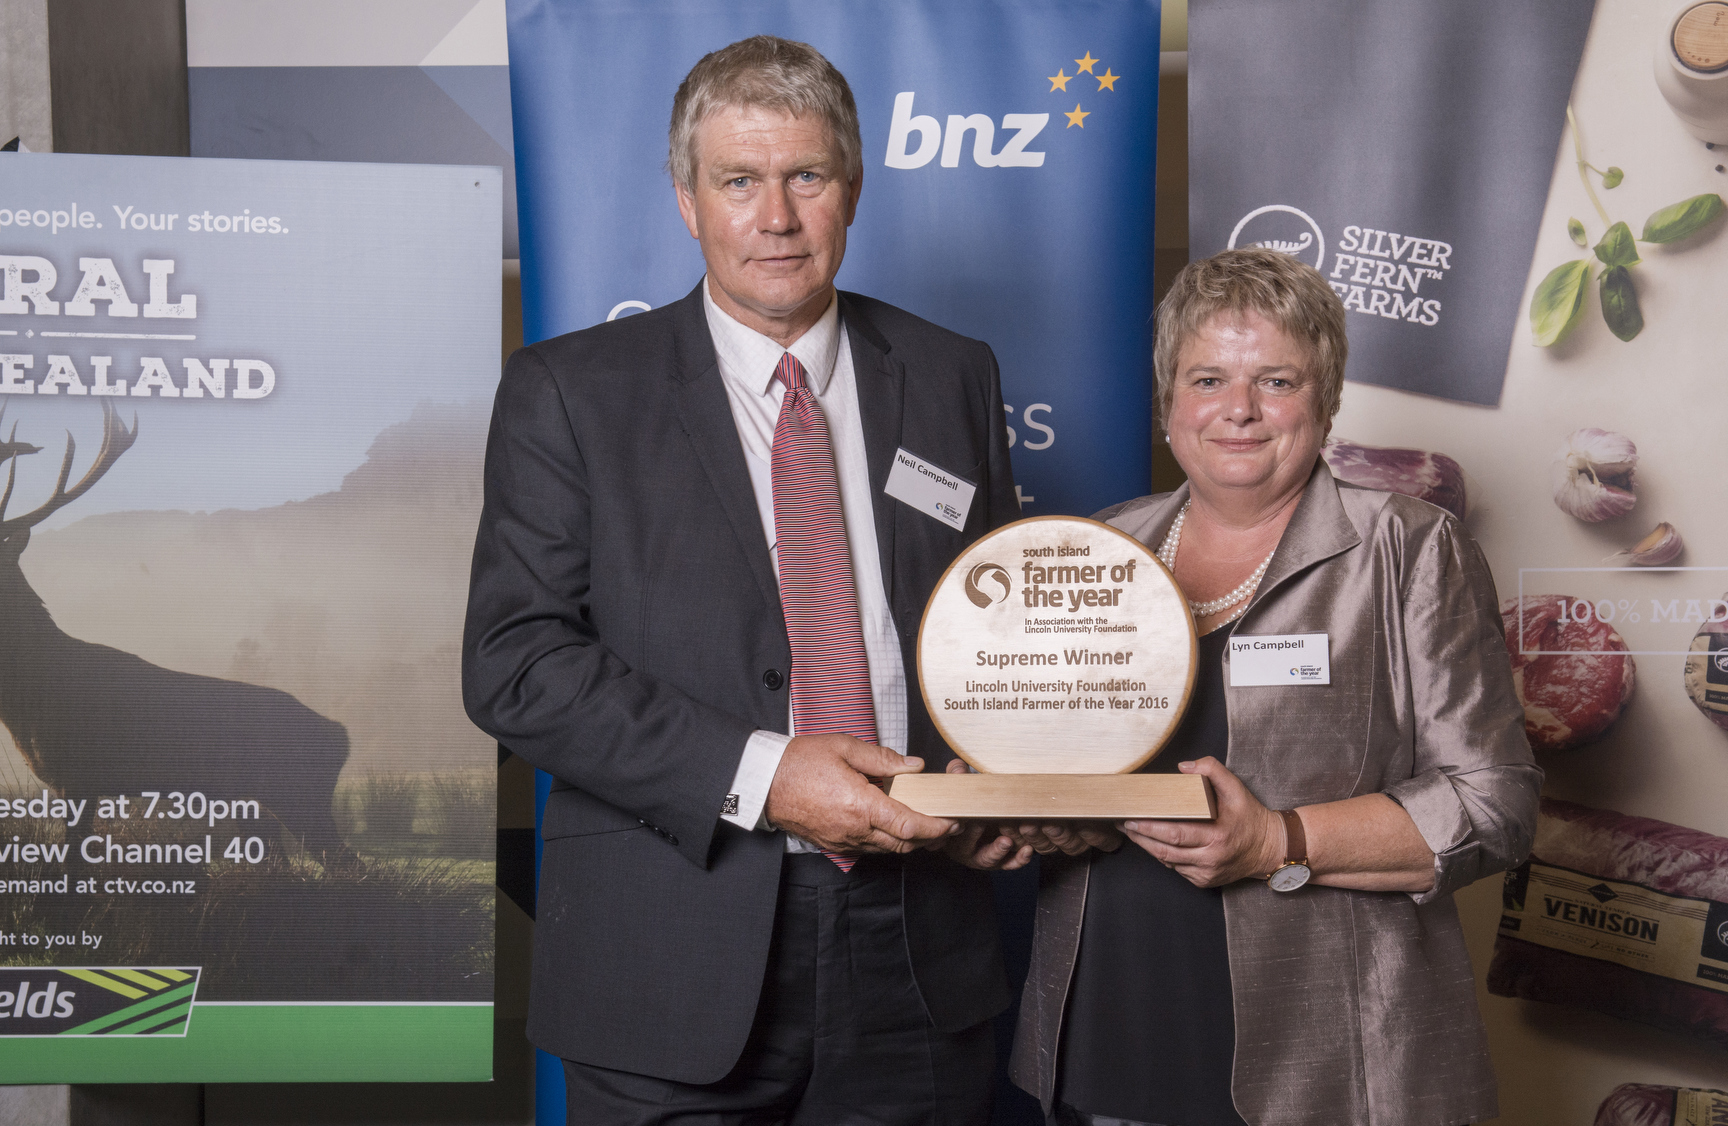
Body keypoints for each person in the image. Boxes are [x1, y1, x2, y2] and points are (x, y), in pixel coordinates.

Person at [463, 34, 1031, 1126]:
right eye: (739, 181)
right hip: (670, 943)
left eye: (805, 177)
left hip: (917, 944)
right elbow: (515, 666)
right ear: (687, 200)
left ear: (852, 190)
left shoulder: (955, 372)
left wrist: (994, 780)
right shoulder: (570, 391)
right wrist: (768, 776)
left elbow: (986, 628)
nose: (776, 216)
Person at [1008, 247, 1541, 1126]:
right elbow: (1065, 766)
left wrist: (1278, 840)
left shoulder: (1408, 547)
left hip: (1331, 1057)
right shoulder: (1104, 546)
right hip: (1112, 1023)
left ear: (1326, 400)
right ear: (1168, 404)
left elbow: (1496, 804)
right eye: (1208, 378)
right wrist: (1033, 805)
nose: (1239, 411)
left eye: (1277, 381)